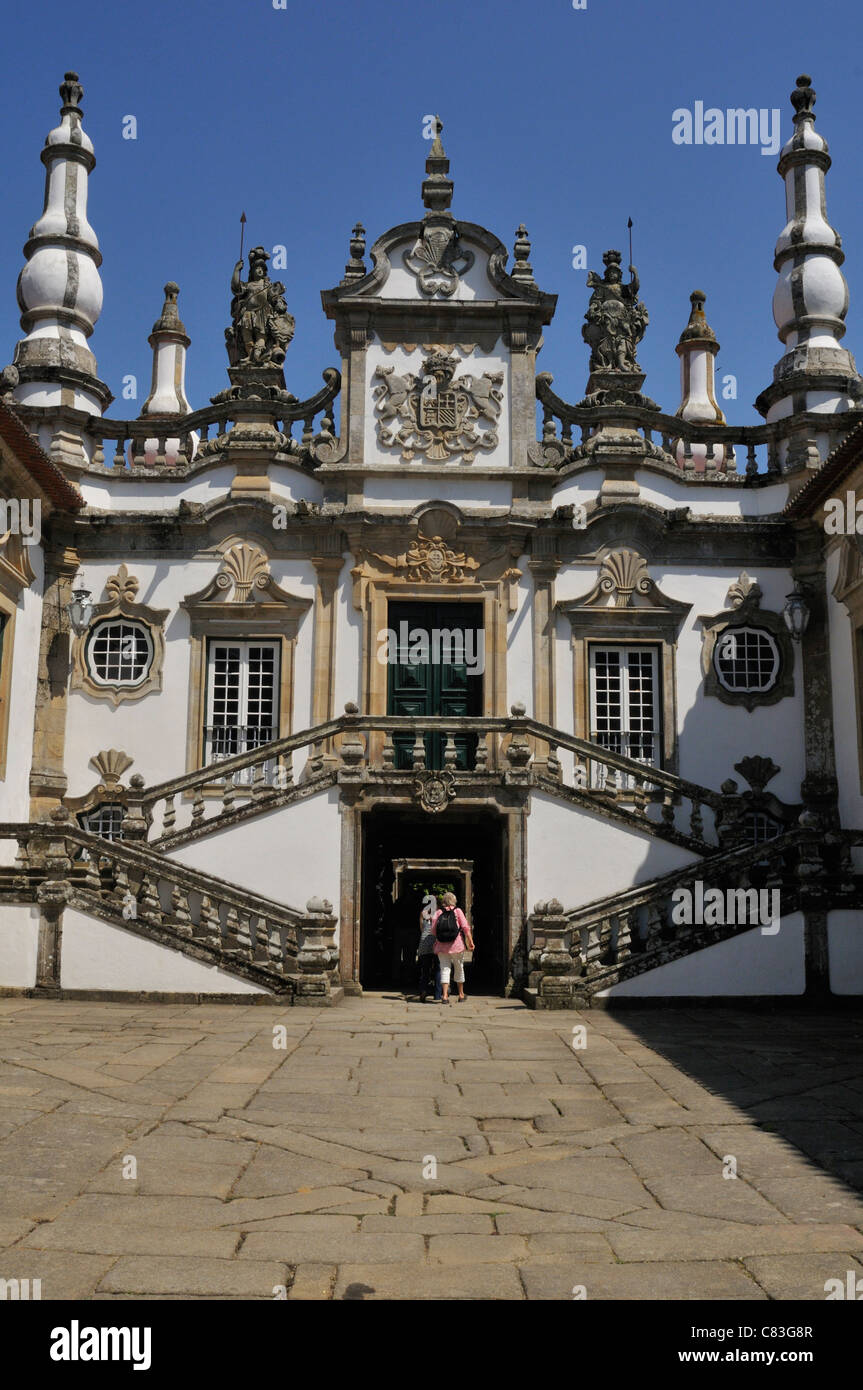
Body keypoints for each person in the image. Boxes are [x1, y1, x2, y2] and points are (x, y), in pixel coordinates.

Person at [432, 891, 474, 1004]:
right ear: (454, 901)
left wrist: (442, 938)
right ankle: (461, 994)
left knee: (444, 969)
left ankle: (444, 996)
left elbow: (433, 930)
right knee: (459, 968)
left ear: (443, 901)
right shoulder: (458, 911)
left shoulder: (438, 912)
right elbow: (465, 927)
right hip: (457, 946)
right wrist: (470, 941)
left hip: (441, 946)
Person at [416, 893, 441, 1002]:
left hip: (424, 942)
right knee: (438, 969)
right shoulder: (440, 913)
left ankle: (423, 991)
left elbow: (422, 929)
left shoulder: (423, 913)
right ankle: (438, 994)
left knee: (425, 969)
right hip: (437, 943)